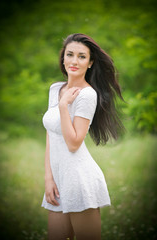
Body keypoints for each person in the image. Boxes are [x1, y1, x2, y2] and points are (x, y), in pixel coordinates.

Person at [41, 33, 124, 240]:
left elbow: (73, 143)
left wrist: (63, 107)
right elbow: (51, 136)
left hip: (79, 178)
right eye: (70, 55)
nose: (74, 61)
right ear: (63, 58)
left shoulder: (87, 95)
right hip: (58, 181)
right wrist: (49, 178)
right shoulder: (55, 89)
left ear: (90, 63)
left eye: (81, 56)